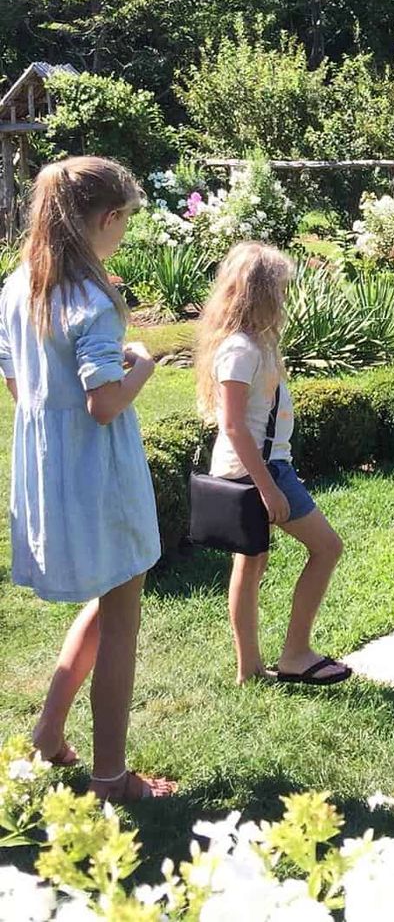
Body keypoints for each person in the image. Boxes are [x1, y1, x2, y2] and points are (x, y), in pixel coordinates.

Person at [0, 156, 175, 803]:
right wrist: (144, 369)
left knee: (105, 600)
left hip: (53, 471)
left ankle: (47, 728)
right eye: (124, 220)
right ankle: (110, 778)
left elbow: (18, 383)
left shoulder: (19, 286)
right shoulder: (92, 300)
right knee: (122, 617)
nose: (123, 231)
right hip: (99, 475)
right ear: (107, 218)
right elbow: (103, 403)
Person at [194, 242, 349, 686]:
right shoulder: (241, 349)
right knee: (327, 548)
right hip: (260, 470)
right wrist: (267, 487)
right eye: (279, 289)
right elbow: (235, 426)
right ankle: (296, 654)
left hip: (257, 467)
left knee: (251, 563)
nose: (285, 298)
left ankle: (250, 669)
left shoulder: (252, 343)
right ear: (260, 293)